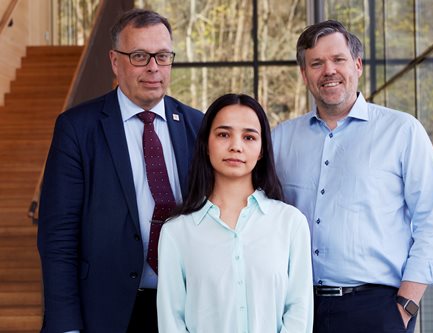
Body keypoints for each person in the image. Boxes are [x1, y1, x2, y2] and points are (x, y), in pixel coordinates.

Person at [272, 20, 433, 333]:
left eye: (338, 59)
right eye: (316, 63)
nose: (328, 70)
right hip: (299, 310)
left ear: (357, 65)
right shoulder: (281, 140)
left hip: (377, 310)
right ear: (304, 74)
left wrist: (405, 306)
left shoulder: (402, 131)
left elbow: (432, 222)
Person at [37, 8, 203, 333]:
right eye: (139, 55)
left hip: (185, 309)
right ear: (115, 61)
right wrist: (65, 325)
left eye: (163, 56)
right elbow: (58, 238)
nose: (153, 67)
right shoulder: (77, 128)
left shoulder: (198, 126)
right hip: (106, 312)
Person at [156, 93, 314, 333]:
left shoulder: (291, 223)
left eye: (249, 137)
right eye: (223, 134)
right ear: (206, 144)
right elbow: (171, 321)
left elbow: (299, 312)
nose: (236, 146)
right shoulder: (176, 231)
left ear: (261, 150)